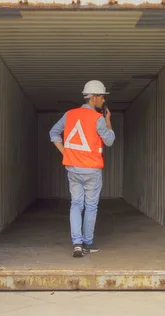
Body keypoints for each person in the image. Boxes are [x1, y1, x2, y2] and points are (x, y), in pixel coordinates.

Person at [49, 80, 116, 257]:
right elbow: (109, 141)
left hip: (73, 169)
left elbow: (53, 133)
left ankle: (76, 244)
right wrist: (108, 120)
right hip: (92, 170)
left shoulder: (69, 115)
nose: (103, 100)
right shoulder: (98, 119)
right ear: (93, 97)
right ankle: (86, 244)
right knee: (91, 207)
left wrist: (65, 153)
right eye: (101, 97)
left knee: (76, 205)